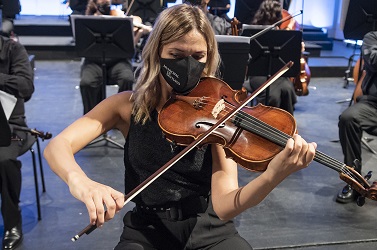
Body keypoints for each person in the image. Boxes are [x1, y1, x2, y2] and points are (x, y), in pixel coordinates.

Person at [44, 4, 316, 249]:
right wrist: (82, 183)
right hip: (146, 229)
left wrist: (273, 176)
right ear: (157, 52)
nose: (188, 65)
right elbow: (58, 146)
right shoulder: (126, 107)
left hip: (207, 227)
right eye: (176, 54)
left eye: (198, 56)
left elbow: (224, 205)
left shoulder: (218, 115)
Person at [336, 0, 377, 203]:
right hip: (376, 104)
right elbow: (373, 61)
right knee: (348, 117)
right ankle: (354, 181)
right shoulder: (374, 37)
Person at [0, 35, 34, 249]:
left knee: (3, 160)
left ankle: (12, 223)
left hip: (11, 124)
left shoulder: (13, 49)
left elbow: (26, 87)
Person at [79, 0, 136, 115]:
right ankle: (92, 115)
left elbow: (128, 46)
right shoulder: (89, 17)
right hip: (94, 60)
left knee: (127, 78)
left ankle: (121, 114)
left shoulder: (117, 15)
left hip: (118, 60)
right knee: (86, 82)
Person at [246, 0, 298, 115]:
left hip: (278, 73)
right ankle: (268, 124)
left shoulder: (282, 34)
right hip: (258, 74)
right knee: (273, 96)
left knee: (287, 89)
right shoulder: (253, 32)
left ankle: (286, 124)